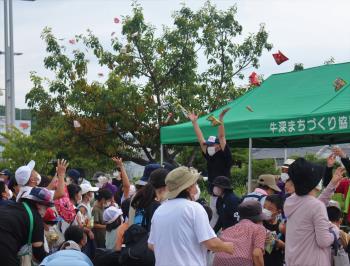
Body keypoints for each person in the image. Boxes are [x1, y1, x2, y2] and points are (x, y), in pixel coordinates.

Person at [148, 166, 234, 266]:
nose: (196, 189)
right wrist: (227, 247)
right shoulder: (194, 208)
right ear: (188, 188)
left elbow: (151, 244)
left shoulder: (159, 210)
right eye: (195, 184)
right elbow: (211, 243)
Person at [284, 158, 343, 266]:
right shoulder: (315, 206)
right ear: (312, 181)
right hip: (313, 261)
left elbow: (312, 205)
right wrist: (335, 230)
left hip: (293, 260)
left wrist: (332, 184)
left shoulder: (291, 201)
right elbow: (324, 241)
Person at [0, 187, 53, 266]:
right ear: (38, 205)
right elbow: (38, 252)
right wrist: (52, 258)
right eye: (46, 207)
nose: (46, 210)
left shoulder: (12, 206)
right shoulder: (36, 217)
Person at [213, 200, 268, 266]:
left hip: (218, 261)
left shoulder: (228, 230)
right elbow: (257, 254)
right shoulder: (259, 228)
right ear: (258, 219)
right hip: (241, 262)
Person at [263, 195, 285, 266]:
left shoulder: (282, 228)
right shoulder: (259, 223)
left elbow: (291, 249)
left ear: (278, 212)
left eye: (270, 209)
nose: (265, 210)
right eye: (264, 207)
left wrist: (282, 245)